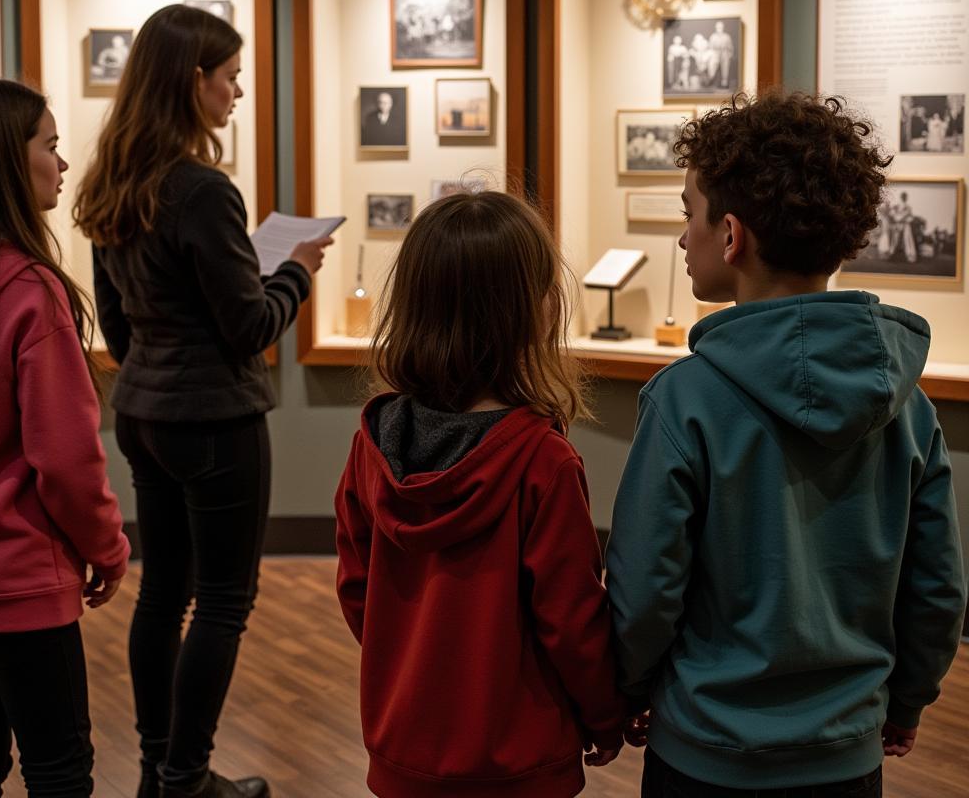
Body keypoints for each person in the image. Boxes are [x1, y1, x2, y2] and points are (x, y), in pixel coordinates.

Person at [605, 91, 966, 797]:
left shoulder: (684, 401)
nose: (684, 238)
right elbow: (938, 588)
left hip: (704, 753)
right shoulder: (910, 408)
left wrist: (628, 687)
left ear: (731, 236)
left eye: (688, 215)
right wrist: (907, 699)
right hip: (846, 755)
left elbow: (646, 587)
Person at [73, 4, 332, 798]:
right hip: (215, 419)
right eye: (229, 77)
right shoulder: (201, 190)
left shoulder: (113, 183)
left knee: (163, 592)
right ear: (193, 83)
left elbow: (117, 326)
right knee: (223, 602)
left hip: (147, 417)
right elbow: (248, 325)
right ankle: (186, 778)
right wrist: (297, 268)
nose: (238, 92)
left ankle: (159, 767)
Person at [334, 190, 626, 798]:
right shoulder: (544, 460)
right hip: (520, 763)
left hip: (403, 749)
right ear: (536, 309)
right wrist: (604, 713)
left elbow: (358, 591)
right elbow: (571, 620)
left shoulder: (372, 445)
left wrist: (412, 674)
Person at [0, 75, 130, 796]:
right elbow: (67, 460)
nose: (61, 162)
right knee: (58, 768)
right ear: (4, 165)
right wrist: (108, 546)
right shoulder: (28, 290)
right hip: (21, 579)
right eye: (50, 146)